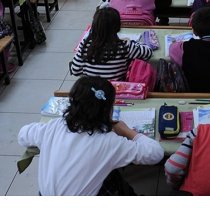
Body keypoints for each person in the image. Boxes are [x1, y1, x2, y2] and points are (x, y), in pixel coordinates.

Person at [18, 76, 164, 196]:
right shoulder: (109, 142)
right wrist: (127, 131)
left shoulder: (53, 126)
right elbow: (156, 153)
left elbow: (23, 134)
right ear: (108, 109)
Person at [69, 7, 152, 80]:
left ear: (94, 26)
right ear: (117, 27)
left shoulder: (86, 44)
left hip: (93, 90)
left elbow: (75, 71)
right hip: (118, 89)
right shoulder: (124, 46)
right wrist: (134, 43)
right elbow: (148, 53)